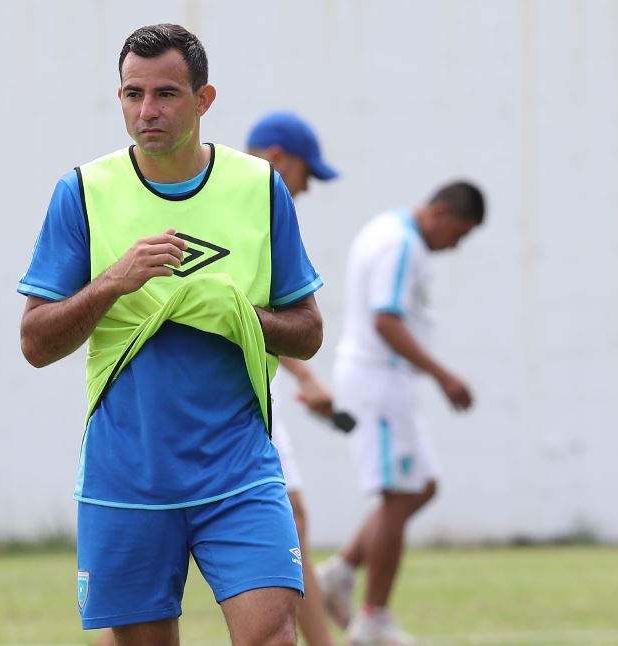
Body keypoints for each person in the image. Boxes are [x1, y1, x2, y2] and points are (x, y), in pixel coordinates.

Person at [18, 24, 324, 646]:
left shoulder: (260, 189)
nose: (146, 111)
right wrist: (113, 283)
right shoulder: (81, 192)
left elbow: (308, 332)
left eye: (165, 94)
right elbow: (35, 343)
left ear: (204, 99)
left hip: (238, 469)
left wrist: (235, 313)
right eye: (132, 94)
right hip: (127, 475)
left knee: (272, 636)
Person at [316, 181, 486, 646]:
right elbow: (386, 319)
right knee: (397, 494)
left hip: (385, 382)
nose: (456, 245)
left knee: (422, 486)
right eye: (461, 233)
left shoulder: (388, 230)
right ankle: (373, 619)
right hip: (379, 381)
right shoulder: (401, 244)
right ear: (443, 214)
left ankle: (340, 574)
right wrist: (443, 374)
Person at [248, 111, 341, 646]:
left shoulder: (255, 208)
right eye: (307, 176)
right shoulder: (249, 205)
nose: (304, 192)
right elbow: (240, 314)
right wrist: (309, 379)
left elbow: (256, 316)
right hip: (237, 394)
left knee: (294, 518)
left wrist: (304, 378)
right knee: (292, 520)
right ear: (279, 158)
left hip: (258, 386)